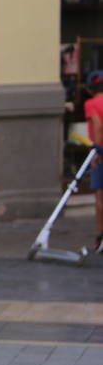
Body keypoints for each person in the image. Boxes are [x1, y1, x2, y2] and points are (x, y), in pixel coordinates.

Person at [85, 70, 103, 253]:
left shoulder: (91, 104)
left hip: (101, 153)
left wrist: (96, 151)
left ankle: (101, 234)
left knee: (99, 197)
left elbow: (98, 125)